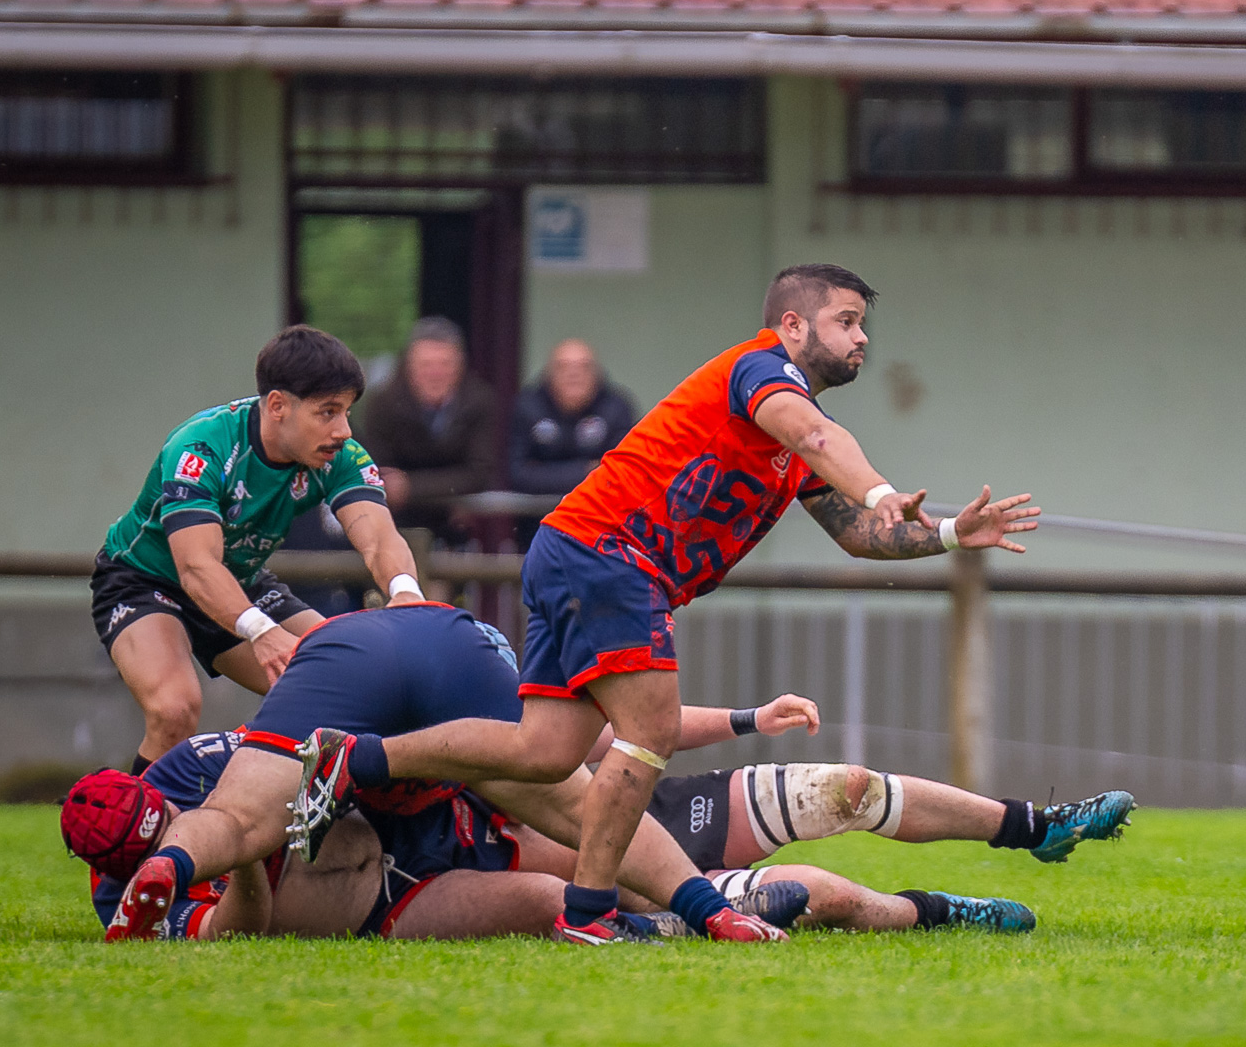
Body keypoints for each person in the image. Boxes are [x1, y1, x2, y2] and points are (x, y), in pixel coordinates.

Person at [292, 263, 1042, 945]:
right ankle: (589, 916)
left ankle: (354, 758)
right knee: (646, 730)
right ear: (793, 326)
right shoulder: (762, 372)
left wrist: (946, 531)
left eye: (861, 323)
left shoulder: (783, 432)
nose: (861, 337)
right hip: (610, 556)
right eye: (847, 320)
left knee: (545, 752)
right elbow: (818, 436)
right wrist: (880, 487)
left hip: (580, 550)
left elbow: (858, 537)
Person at [101, 603, 786, 944]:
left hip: (344, 656)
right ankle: (710, 908)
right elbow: (607, 746)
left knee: (238, 819)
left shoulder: (180, 777)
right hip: (440, 633)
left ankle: (180, 859)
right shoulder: (499, 658)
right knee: (583, 808)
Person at [64, 732, 807, 942]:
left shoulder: (195, 764)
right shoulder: (126, 909)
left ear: (151, 789)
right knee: (554, 895)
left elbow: (324, 749)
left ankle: (715, 897)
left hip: (444, 813)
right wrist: (252, 856)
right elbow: (244, 928)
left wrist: (746, 719)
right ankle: (692, 919)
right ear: (111, 869)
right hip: (393, 896)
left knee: (610, 825)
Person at [91, 325, 423, 772]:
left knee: (347, 684)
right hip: (146, 581)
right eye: (328, 412)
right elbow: (195, 568)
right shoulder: (202, 446)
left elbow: (380, 537)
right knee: (174, 710)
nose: (343, 430)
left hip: (241, 581)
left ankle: (310, 830)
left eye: (346, 412)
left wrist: (405, 592)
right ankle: (137, 833)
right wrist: (261, 631)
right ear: (278, 406)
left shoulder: (339, 454)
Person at [630, 726, 1136, 934]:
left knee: (846, 788)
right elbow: (544, 897)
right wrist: (632, 925)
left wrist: (750, 719)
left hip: (654, 812)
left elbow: (635, 722)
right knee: (818, 894)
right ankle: (942, 912)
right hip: (635, 892)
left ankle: (1039, 827)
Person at [359, 317, 498, 543]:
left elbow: (480, 472)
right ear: (408, 367)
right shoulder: (382, 403)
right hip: (395, 525)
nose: (435, 374)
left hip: (458, 524)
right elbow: (379, 474)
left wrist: (410, 486)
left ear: (460, 366)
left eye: (444, 364)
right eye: (426, 365)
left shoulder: (480, 401)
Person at [509, 338, 638, 496]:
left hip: (599, 515)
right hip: (536, 518)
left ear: (597, 373)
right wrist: (587, 470)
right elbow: (517, 475)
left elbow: (620, 474)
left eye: (585, 367)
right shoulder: (527, 406)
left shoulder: (616, 408)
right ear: (549, 373)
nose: (574, 374)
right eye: (563, 367)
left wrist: (544, 471)